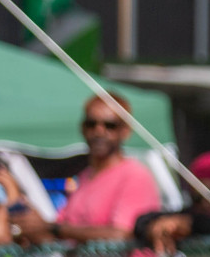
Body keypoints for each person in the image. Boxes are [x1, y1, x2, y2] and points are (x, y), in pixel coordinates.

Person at [10, 94, 163, 248]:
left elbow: (121, 234)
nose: (99, 131)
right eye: (91, 124)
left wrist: (53, 229)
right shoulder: (84, 177)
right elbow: (61, 229)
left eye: (110, 125)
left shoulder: (135, 175)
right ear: (82, 128)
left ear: (125, 131)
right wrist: (31, 226)